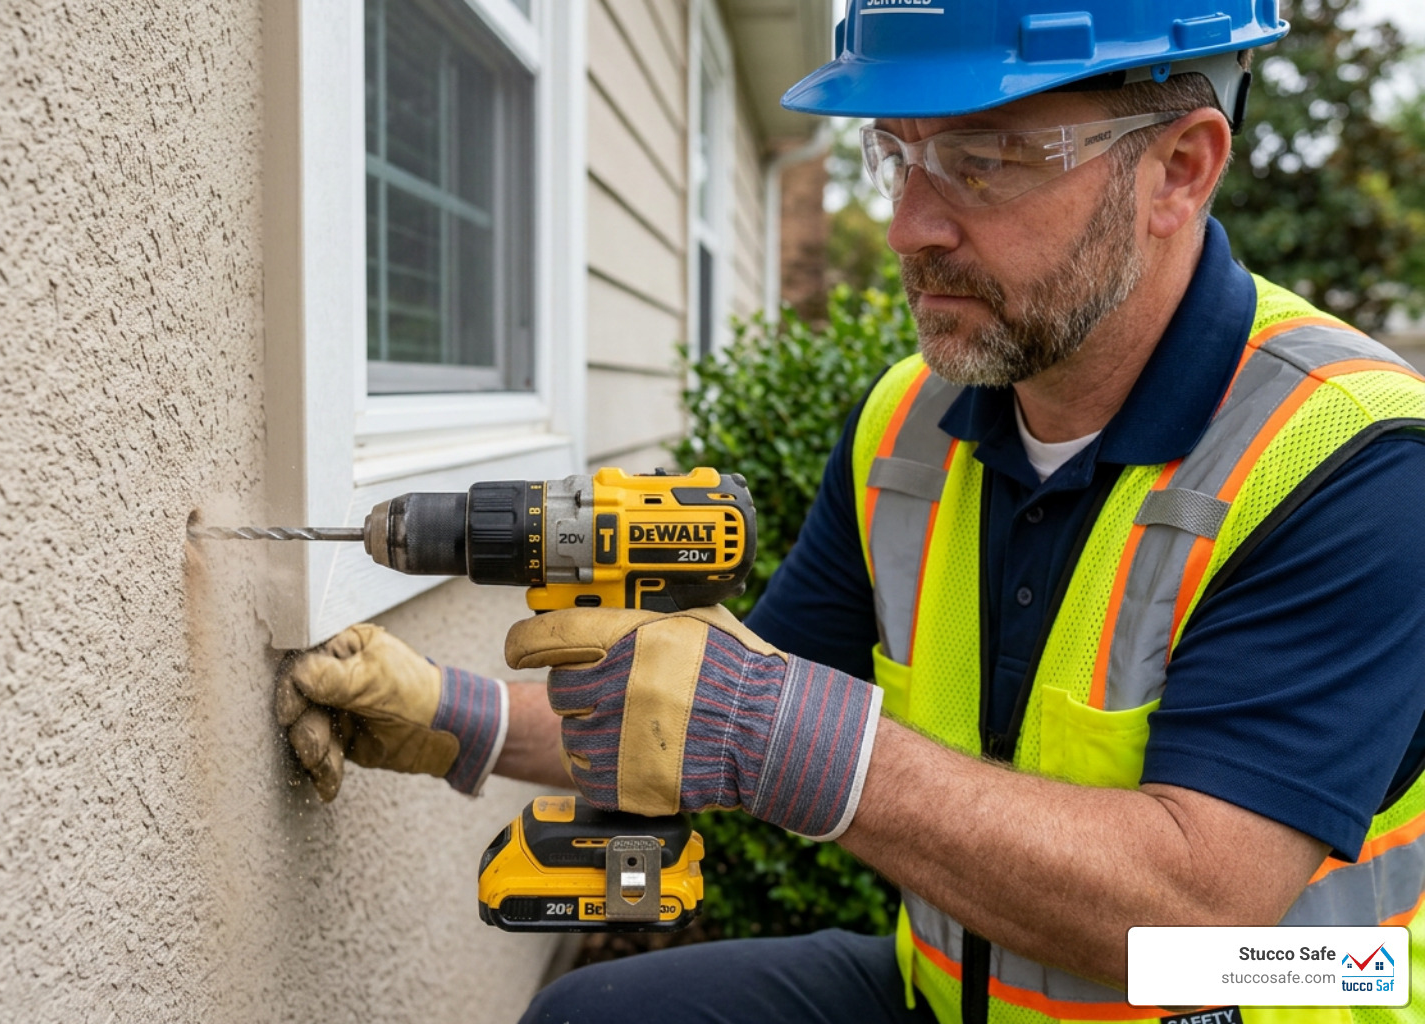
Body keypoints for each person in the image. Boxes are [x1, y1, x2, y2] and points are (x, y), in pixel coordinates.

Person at [275, 2, 1425, 1021]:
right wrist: (454, 714)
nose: (910, 225)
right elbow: (708, 711)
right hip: (953, 992)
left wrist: (797, 739)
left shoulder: (1352, 457)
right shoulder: (909, 428)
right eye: (898, 153)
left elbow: (1204, 911)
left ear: (1179, 168)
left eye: (983, 161)